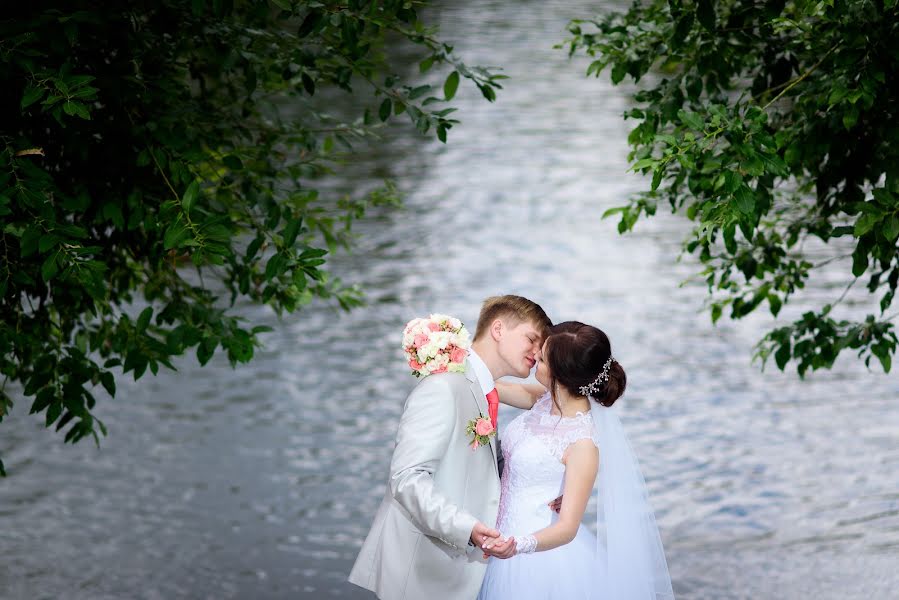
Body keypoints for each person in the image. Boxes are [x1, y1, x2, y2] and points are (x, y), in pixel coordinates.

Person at [348, 295, 552, 600]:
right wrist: (467, 528)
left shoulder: (482, 388)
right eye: (532, 339)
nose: (537, 352)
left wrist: (546, 486)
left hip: (457, 574)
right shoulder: (443, 387)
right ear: (498, 329)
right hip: (419, 575)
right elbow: (407, 478)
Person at [477, 321, 675, 600]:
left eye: (542, 358)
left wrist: (518, 545)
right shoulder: (545, 399)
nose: (534, 356)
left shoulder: (582, 444)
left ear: (562, 375)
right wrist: (464, 364)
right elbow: (495, 388)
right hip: (494, 531)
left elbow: (567, 527)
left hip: (531, 555)